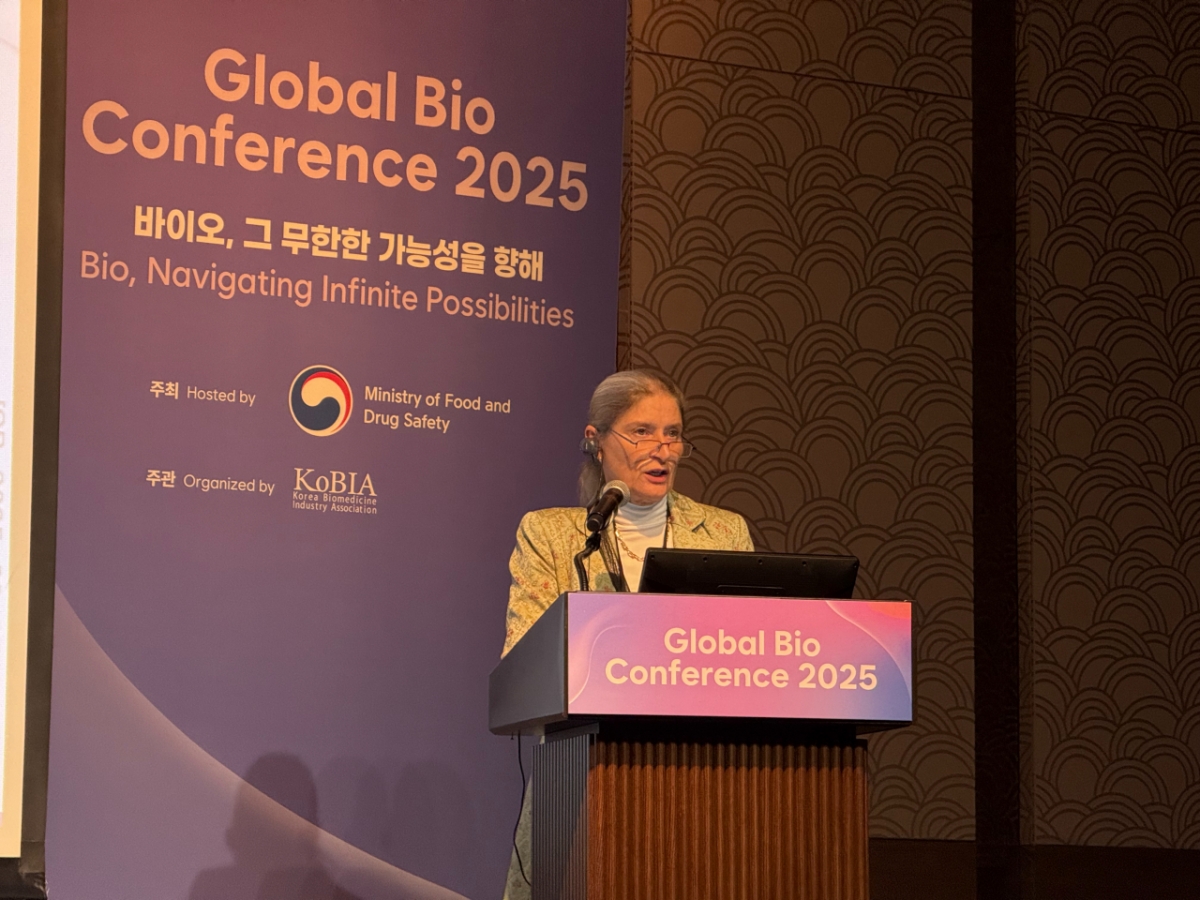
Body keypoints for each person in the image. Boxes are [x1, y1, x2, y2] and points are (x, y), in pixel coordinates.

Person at [500, 369, 754, 900]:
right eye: (641, 432)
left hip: (700, 780)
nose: (662, 449)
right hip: (581, 782)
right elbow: (522, 657)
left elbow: (749, 657)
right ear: (596, 440)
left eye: (672, 434)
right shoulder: (551, 535)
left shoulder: (725, 532)